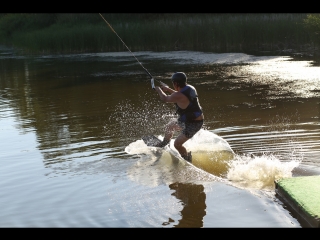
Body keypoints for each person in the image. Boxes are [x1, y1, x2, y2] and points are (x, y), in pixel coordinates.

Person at [154, 72, 204, 163]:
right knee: (170, 126)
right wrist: (168, 88)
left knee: (177, 144)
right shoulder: (190, 88)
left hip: (194, 124)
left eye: (173, 83)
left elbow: (165, 98)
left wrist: (158, 90)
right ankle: (164, 144)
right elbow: (179, 95)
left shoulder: (178, 95)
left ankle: (187, 159)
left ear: (176, 83)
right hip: (190, 120)